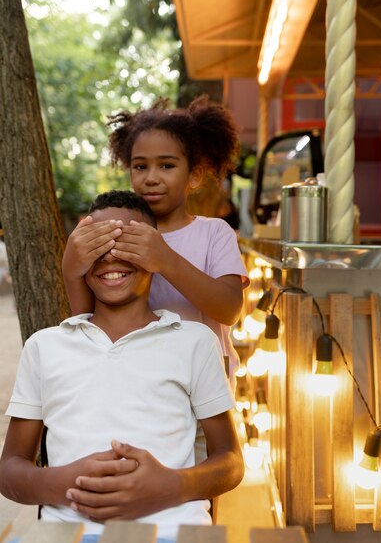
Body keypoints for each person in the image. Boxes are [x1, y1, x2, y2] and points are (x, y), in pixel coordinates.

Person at [0, 190, 244, 543]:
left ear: (154, 253)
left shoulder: (194, 341)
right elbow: (10, 470)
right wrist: (64, 481)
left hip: (172, 532)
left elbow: (231, 461)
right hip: (65, 534)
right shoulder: (45, 346)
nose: (111, 256)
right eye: (97, 244)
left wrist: (172, 486)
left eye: (128, 242)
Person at [62, 96, 249, 387]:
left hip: (202, 386)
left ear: (195, 175)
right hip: (137, 380)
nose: (151, 178)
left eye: (166, 166)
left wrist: (166, 260)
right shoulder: (115, 232)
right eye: (140, 167)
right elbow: (87, 320)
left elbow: (230, 309)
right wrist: (71, 270)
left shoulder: (214, 233)